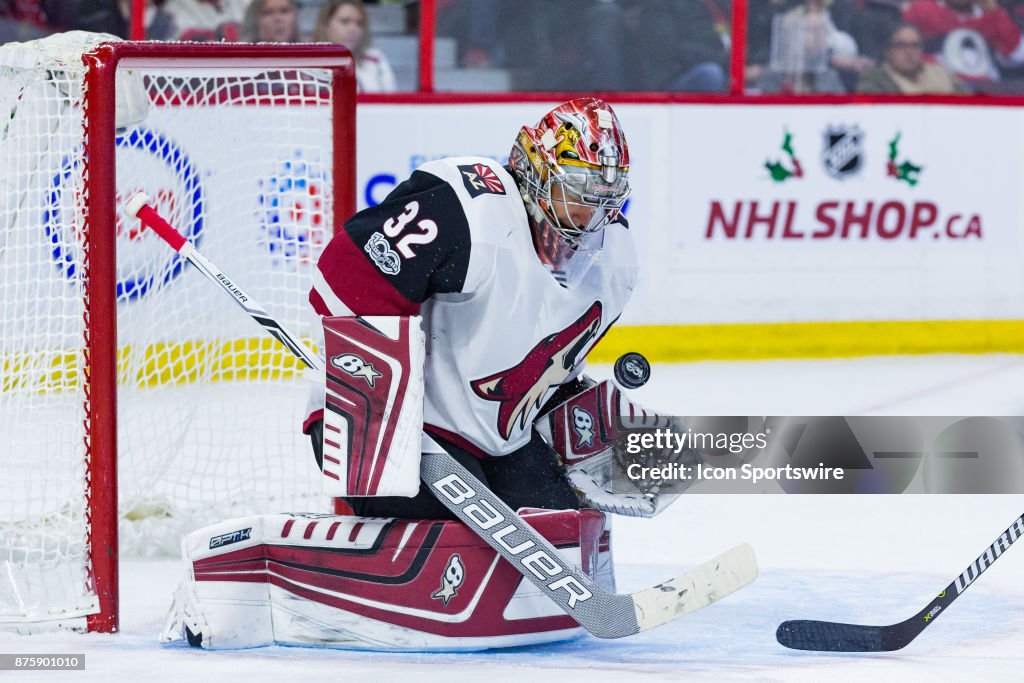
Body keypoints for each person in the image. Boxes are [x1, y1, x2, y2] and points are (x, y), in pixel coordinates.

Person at [903, 0, 1024, 84]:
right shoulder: (921, 9)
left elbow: (1018, 55)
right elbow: (901, 50)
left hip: (984, 85)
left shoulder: (992, 14)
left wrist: (997, 14)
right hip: (937, 83)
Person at [312, 0, 396, 92]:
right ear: (326, 25)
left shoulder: (376, 59)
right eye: (345, 21)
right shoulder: (306, 63)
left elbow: (392, 102)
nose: (353, 29)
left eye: (359, 24)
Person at [858, 23, 968, 93]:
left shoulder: (942, 74)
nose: (909, 52)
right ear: (888, 52)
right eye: (901, 45)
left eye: (915, 46)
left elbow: (968, 106)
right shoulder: (874, 80)